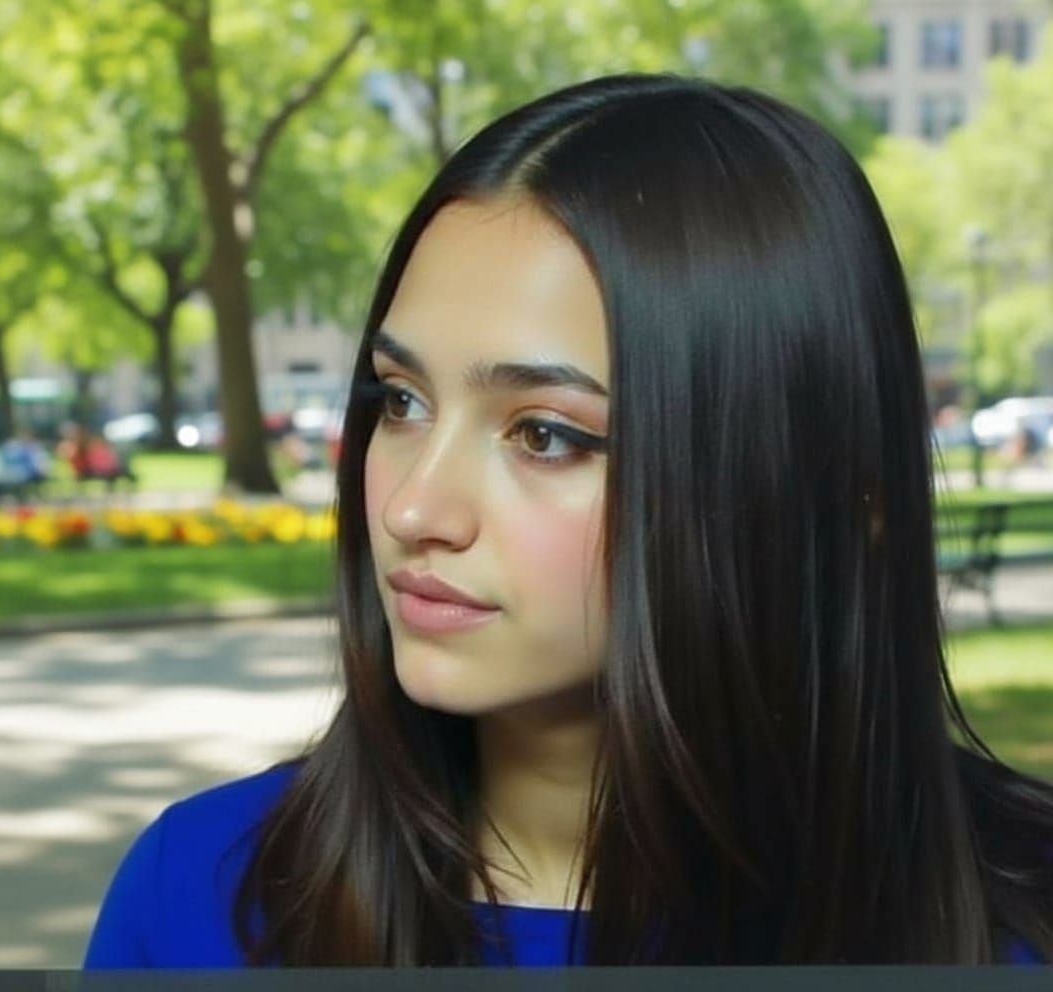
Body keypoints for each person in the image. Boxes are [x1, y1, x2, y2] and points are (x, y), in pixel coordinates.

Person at [83, 73, 1053, 968]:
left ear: (826, 493)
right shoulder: (202, 898)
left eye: (543, 434)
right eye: (401, 401)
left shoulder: (1020, 919)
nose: (415, 507)